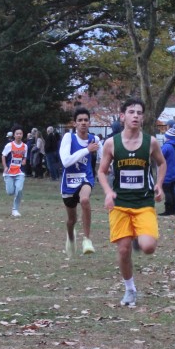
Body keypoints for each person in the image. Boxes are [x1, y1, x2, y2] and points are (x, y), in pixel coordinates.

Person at [97, 98, 166, 307]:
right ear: (122, 116)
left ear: (143, 118)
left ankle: (138, 235)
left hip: (143, 203)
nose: (135, 115)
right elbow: (101, 171)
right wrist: (108, 192)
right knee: (123, 250)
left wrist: (159, 185)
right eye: (131, 112)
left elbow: (162, 163)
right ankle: (130, 289)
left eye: (139, 113)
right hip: (120, 203)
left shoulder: (151, 142)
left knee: (148, 247)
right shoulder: (112, 143)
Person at [60, 108, 101, 256]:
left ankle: (87, 240)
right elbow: (66, 162)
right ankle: (71, 236)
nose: (83, 123)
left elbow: (103, 157)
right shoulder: (68, 138)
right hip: (69, 182)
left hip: (85, 177)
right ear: (75, 123)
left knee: (84, 200)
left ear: (89, 123)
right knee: (72, 220)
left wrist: (106, 166)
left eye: (86, 120)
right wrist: (87, 150)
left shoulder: (94, 139)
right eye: (80, 120)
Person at [2, 126, 27, 217]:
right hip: (9, 172)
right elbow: (3, 156)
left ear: (22, 135)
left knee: (19, 190)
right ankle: (7, 182)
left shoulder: (25, 146)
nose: (19, 135)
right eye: (17, 134)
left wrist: (24, 161)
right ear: (14, 135)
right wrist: (5, 166)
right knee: (10, 192)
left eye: (20, 134)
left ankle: (15, 209)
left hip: (20, 172)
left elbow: (24, 157)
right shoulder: (9, 145)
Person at [159, 125, 175, 217]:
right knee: (172, 190)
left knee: (167, 191)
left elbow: (160, 157)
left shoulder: (167, 146)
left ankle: (168, 210)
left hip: (167, 171)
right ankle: (173, 209)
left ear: (168, 137)